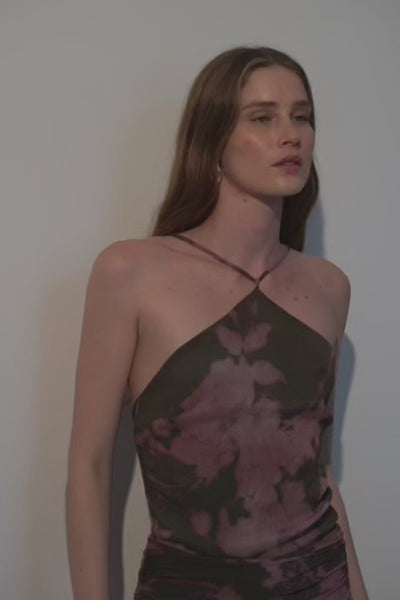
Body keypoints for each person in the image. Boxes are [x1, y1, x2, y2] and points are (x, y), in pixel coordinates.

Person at [66, 46, 369, 599]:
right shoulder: (130, 272)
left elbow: (315, 469)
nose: (291, 135)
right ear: (211, 140)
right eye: (263, 117)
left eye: (302, 116)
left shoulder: (328, 288)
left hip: (320, 583)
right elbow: (89, 466)